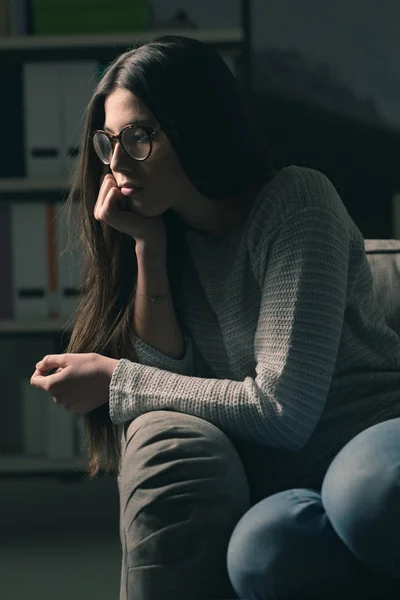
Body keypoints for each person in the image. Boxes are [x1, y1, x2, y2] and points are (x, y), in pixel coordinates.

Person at [30, 35, 400, 600]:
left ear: (197, 126)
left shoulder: (296, 202)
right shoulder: (167, 232)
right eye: (109, 142)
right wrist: (147, 248)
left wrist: (114, 378)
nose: (119, 163)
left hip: (372, 435)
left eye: (140, 137)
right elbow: (168, 375)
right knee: (261, 552)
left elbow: (282, 411)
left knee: (368, 496)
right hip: (292, 479)